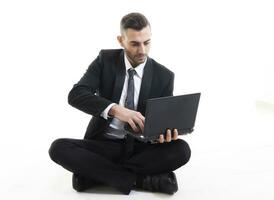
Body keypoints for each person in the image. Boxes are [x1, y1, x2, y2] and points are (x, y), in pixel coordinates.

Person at [49, 12, 191, 195]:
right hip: (104, 144)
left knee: (181, 150)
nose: (143, 50)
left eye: (147, 42)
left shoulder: (164, 76)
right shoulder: (104, 61)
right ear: (121, 40)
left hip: (141, 148)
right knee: (59, 148)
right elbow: (76, 94)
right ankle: (142, 180)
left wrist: (162, 135)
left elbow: (160, 122)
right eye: (134, 44)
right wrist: (116, 110)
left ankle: (94, 174)